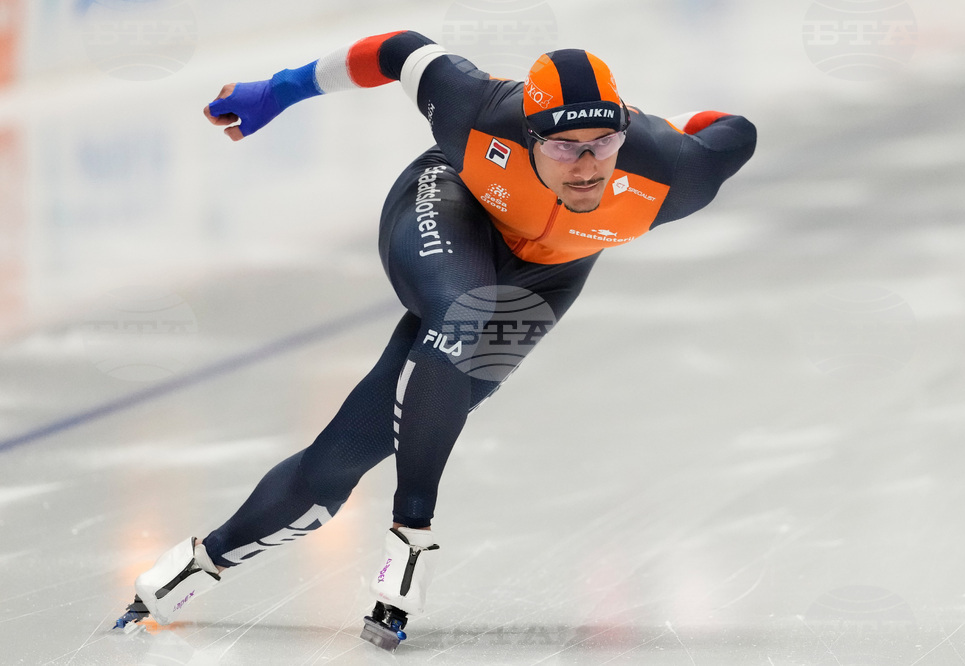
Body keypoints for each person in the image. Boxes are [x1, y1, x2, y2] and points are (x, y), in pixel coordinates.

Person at [114, 30, 756, 649]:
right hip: (452, 201)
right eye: (564, 147)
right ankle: (411, 535)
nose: (586, 166)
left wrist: (664, 122)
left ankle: (195, 565)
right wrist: (279, 91)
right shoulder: (473, 109)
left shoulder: (674, 173)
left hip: (549, 276)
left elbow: (736, 130)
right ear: (528, 133)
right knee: (463, 313)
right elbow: (398, 50)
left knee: (345, 454)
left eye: (603, 141)